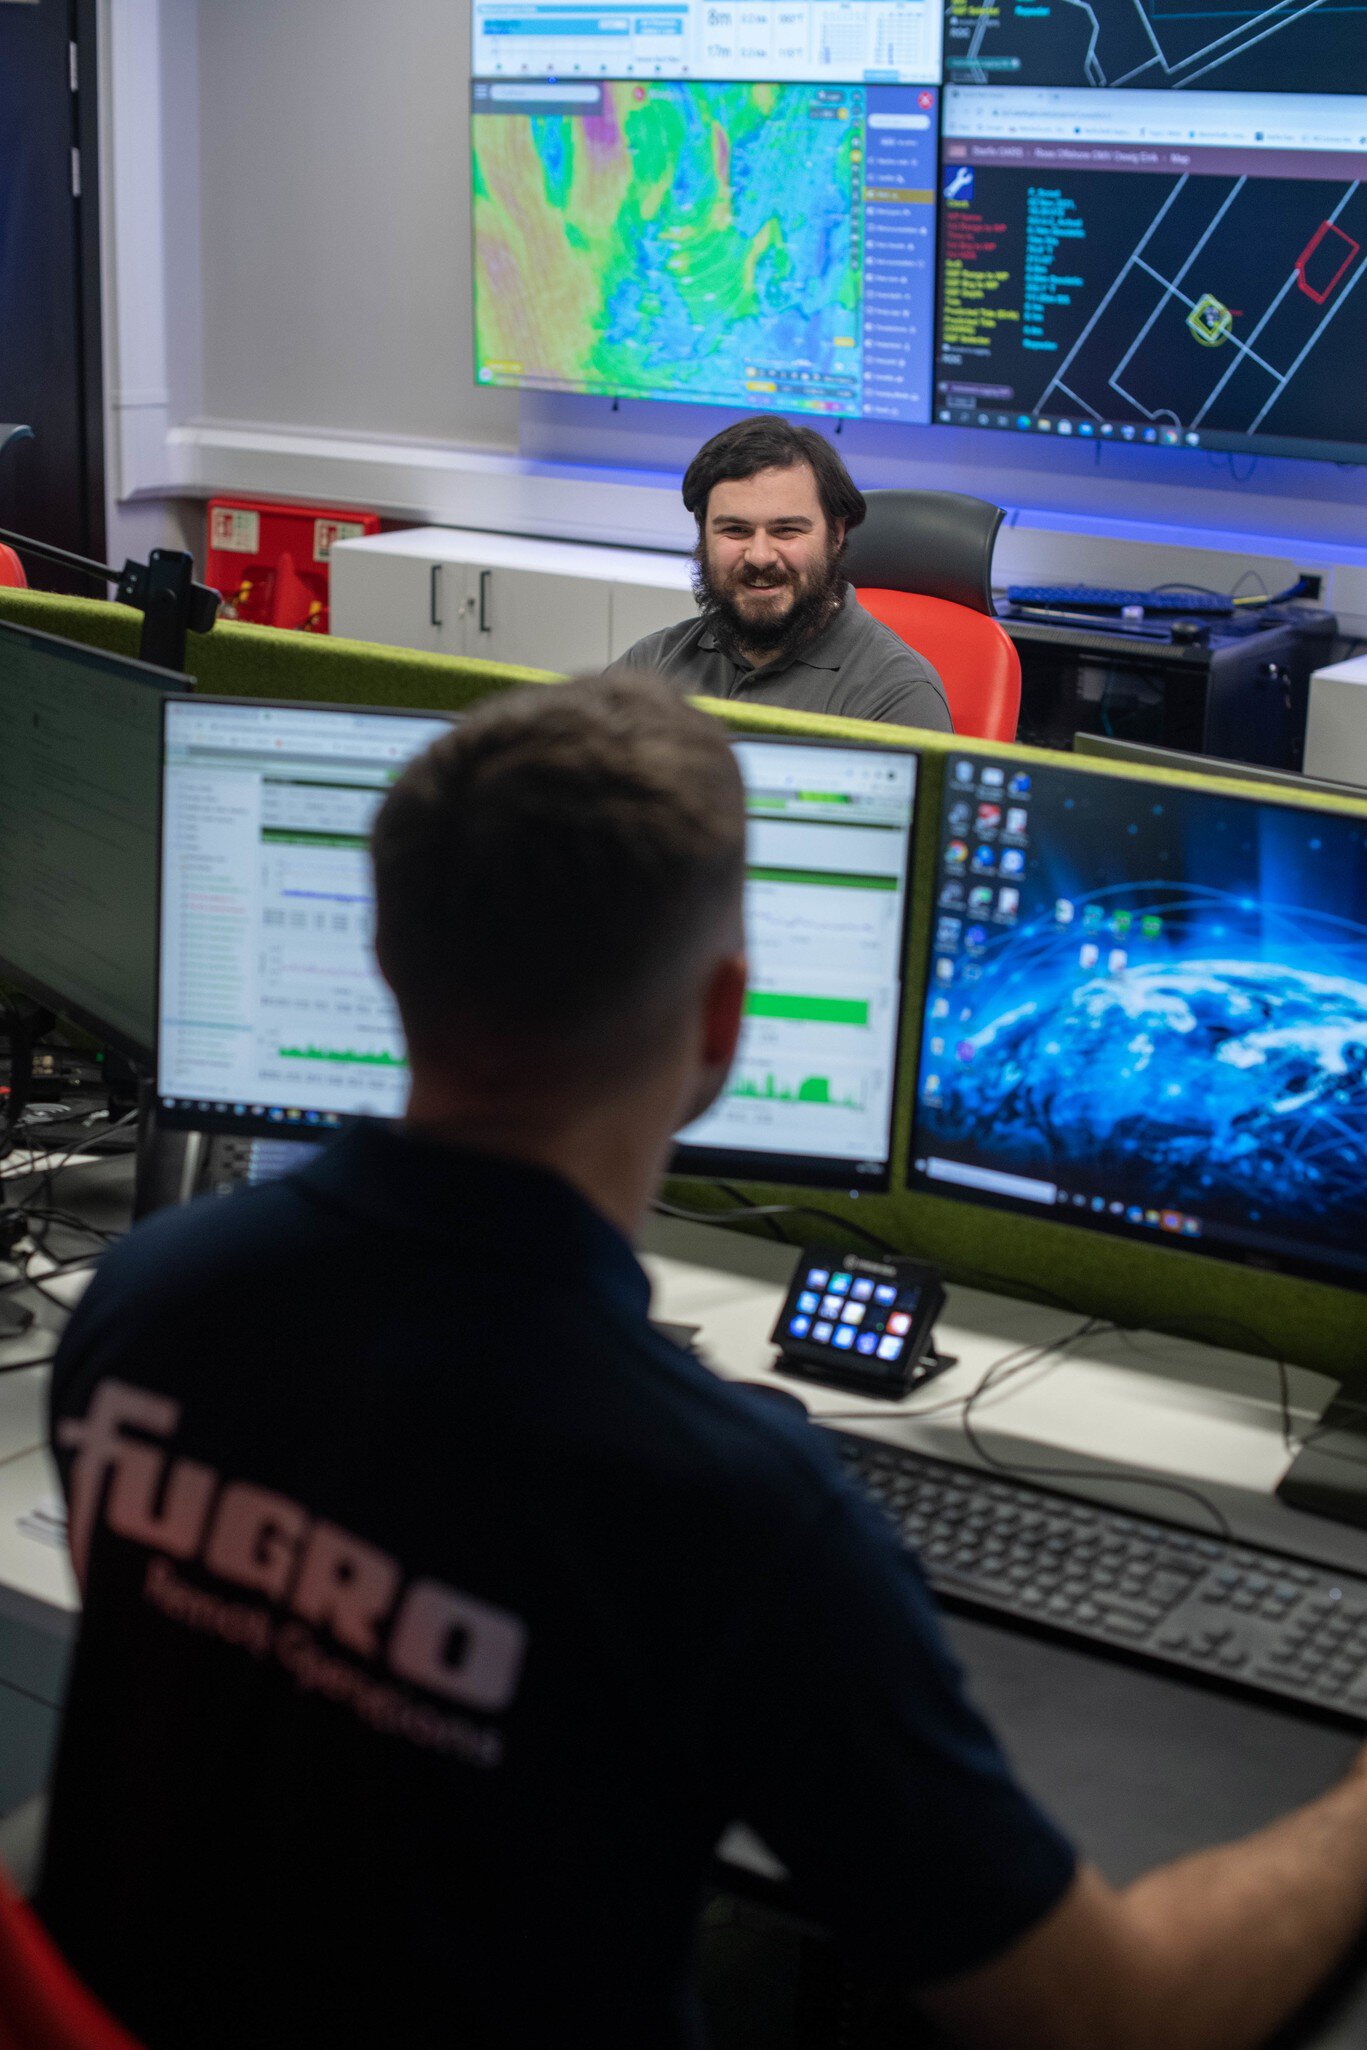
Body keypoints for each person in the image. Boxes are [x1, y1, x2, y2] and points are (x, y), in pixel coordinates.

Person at [38, 677, 1367, 2050]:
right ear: (720, 1026)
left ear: (382, 955)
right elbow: (1111, 2018)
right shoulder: (722, 1507)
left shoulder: (149, 1300)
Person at [606, 414, 954, 731]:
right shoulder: (652, 664)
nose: (760, 556)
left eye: (786, 530)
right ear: (703, 534)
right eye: (736, 530)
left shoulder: (897, 695)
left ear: (836, 534)